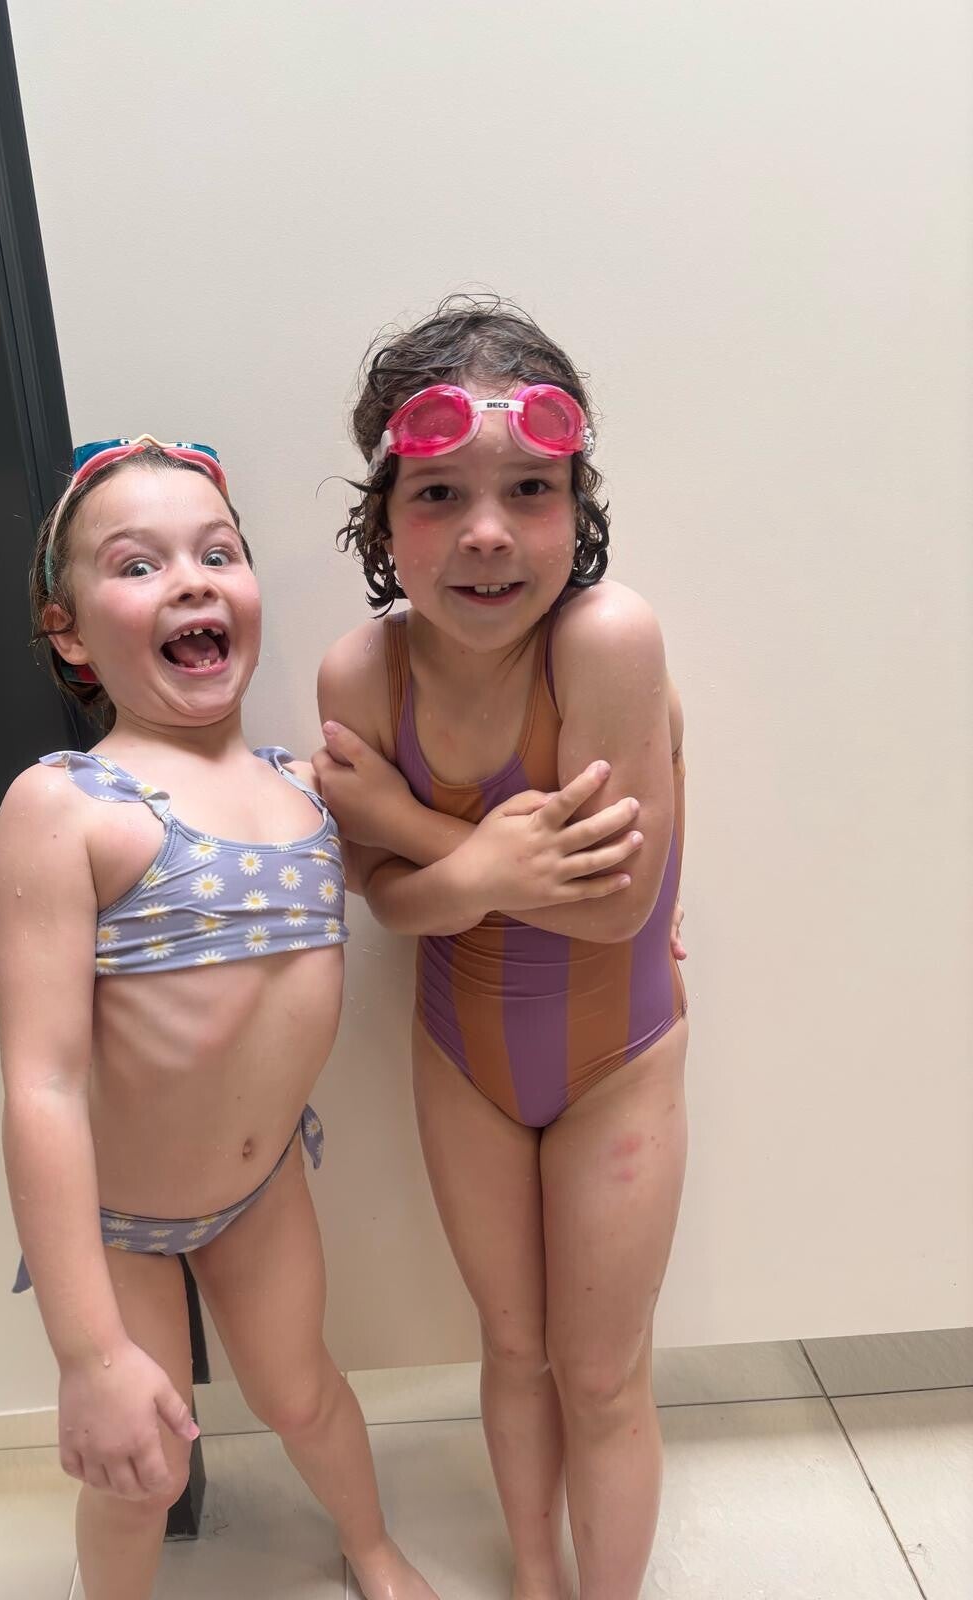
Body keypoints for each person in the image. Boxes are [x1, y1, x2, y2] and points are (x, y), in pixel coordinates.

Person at [0, 437, 438, 1600]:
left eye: (217, 553)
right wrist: (88, 1354)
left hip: (260, 1188)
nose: (190, 580)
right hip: (119, 1220)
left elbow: (425, 883)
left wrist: (558, 888)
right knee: (140, 1467)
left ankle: (372, 1547)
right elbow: (41, 1084)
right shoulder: (69, 806)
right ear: (69, 633)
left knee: (302, 1391)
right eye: (139, 565)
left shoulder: (308, 786)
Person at [315, 301, 689, 1600]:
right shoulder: (361, 676)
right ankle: (536, 1576)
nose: (487, 530)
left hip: (619, 1063)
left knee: (603, 1371)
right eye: (440, 495)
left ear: (577, 506)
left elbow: (613, 910)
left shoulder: (606, 641)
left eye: (530, 488)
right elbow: (383, 903)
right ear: (383, 521)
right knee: (515, 1348)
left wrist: (433, 844)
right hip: (462, 1060)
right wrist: (465, 870)